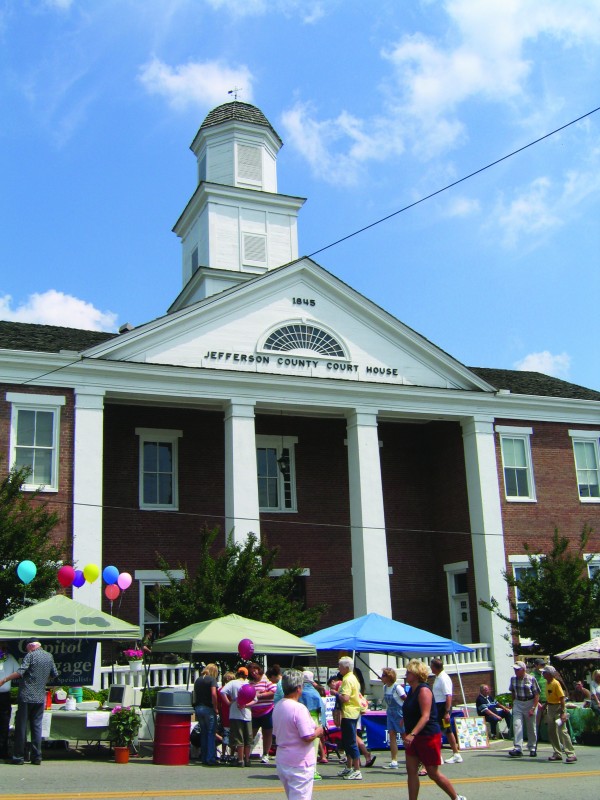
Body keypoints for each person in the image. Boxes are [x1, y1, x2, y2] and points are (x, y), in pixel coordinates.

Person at [402, 659, 466, 800]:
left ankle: (456, 797)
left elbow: (425, 716)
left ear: (417, 674)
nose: (406, 674)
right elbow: (409, 711)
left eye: (409, 672)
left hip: (427, 735)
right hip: (414, 737)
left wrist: (412, 734)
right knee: (411, 771)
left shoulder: (423, 690)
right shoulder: (411, 691)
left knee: (432, 772)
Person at [0, 639, 58, 766]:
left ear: (31, 646)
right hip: (39, 697)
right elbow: (54, 674)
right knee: (37, 727)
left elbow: (20, 672)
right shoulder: (49, 656)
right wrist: (41, 680)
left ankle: (19, 757)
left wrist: (4, 679)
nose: (27, 650)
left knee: (21, 727)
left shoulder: (30, 655)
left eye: (27, 648)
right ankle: (37, 757)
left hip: (26, 696)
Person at [272, 669, 324, 800]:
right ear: (298, 688)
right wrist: (318, 731)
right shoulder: (299, 708)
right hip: (299, 761)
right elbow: (307, 736)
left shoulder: (278, 706)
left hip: (283, 758)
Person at [334, 656, 363, 780]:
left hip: (349, 713)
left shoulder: (347, 680)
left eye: (340, 666)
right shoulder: (353, 678)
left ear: (346, 667)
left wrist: (335, 693)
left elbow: (345, 698)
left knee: (350, 742)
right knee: (347, 741)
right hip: (353, 712)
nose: (339, 668)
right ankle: (349, 767)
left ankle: (357, 770)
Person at [220, 666, 254, 767]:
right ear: (246, 675)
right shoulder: (249, 684)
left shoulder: (233, 683)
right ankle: (247, 759)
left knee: (239, 738)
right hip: (247, 714)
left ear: (238, 674)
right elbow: (255, 699)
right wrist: (246, 705)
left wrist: (228, 703)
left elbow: (222, 691)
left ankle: (240, 760)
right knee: (248, 738)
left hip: (235, 713)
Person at [543, 665, 577, 763]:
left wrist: (563, 713)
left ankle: (571, 753)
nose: (543, 674)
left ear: (549, 674)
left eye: (544, 672)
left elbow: (562, 699)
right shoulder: (547, 683)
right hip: (550, 708)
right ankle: (557, 753)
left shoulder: (556, 683)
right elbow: (550, 696)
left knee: (562, 731)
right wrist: (545, 705)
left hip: (558, 708)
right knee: (551, 731)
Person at [431, 657, 462, 764]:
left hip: (442, 707)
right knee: (447, 731)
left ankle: (440, 755)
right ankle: (456, 754)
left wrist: (447, 712)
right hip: (438, 706)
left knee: (438, 731)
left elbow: (448, 695)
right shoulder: (438, 677)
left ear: (435, 667)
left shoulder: (444, 678)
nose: (430, 668)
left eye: (431, 666)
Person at [508, 660, 540, 758]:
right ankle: (518, 748)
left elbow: (536, 694)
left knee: (531, 726)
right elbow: (513, 691)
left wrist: (534, 707)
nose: (515, 671)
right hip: (518, 702)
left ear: (523, 670)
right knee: (517, 725)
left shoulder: (531, 679)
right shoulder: (513, 679)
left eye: (518, 670)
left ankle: (532, 747)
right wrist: (513, 703)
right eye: (515, 669)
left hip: (529, 702)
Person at [298, 670, 327, 780]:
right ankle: (312, 771)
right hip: (314, 720)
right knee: (313, 748)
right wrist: (323, 724)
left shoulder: (299, 691)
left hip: (300, 719)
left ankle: (301, 769)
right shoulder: (315, 692)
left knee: (301, 746)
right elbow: (322, 710)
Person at [248, 662, 277, 763]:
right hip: (255, 712)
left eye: (255, 670)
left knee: (267, 733)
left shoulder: (265, 681)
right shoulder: (250, 683)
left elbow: (274, 691)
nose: (254, 673)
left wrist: (261, 695)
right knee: (251, 733)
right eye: (251, 672)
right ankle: (246, 754)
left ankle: (265, 754)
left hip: (267, 711)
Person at [193, 663, 219, 765]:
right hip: (208, 708)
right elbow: (213, 694)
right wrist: (216, 707)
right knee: (210, 733)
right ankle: (210, 758)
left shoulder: (198, 680)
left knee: (203, 733)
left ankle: (204, 757)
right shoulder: (212, 680)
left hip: (198, 707)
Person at [381, 666, 406, 768]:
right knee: (392, 735)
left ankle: (413, 757)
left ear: (389, 676)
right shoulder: (384, 687)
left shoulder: (398, 688)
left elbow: (406, 699)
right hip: (390, 713)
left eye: (383, 675)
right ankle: (394, 760)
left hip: (399, 713)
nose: (381, 677)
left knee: (404, 736)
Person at [0, 642, 21, 760]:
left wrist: (6, 679)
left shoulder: (10, 658)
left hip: (4, 695)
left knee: (4, 725)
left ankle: (2, 751)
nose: (2, 650)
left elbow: (19, 672)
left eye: (3, 648)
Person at [218, 671, 235, 762]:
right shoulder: (233, 691)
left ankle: (224, 754)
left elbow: (219, 704)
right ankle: (231, 754)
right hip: (233, 715)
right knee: (232, 735)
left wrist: (220, 713)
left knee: (225, 734)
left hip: (224, 715)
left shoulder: (221, 690)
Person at [530, 658, 547, 734]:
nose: (543, 666)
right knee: (536, 723)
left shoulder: (545, 675)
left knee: (548, 722)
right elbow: (530, 691)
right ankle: (535, 740)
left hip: (546, 702)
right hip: (538, 703)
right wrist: (537, 703)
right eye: (541, 665)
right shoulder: (532, 676)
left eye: (544, 665)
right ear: (536, 665)